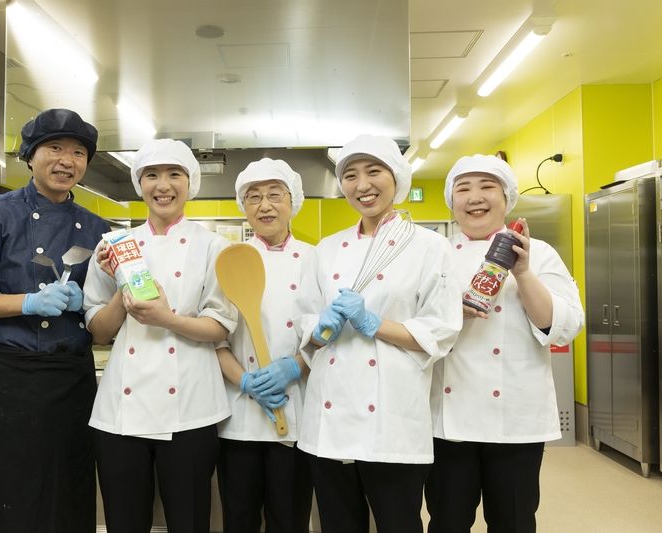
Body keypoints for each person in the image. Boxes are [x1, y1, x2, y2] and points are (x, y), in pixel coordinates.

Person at [0, 108, 111, 533]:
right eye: (54, 148)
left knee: (67, 486)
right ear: (30, 155)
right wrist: (28, 303)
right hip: (12, 376)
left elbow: (108, 307)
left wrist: (88, 303)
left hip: (73, 377)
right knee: (4, 489)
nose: (66, 161)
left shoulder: (98, 229)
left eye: (78, 153)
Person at [298, 135, 462, 533]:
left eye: (374, 171)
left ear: (397, 177)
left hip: (392, 415)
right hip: (331, 416)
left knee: (398, 522)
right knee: (338, 524)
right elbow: (305, 324)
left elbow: (441, 328)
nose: (362, 185)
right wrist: (320, 329)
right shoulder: (326, 249)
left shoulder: (430, 246)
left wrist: (374, 324)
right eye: (350, 175)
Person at [83, 138, 238, 532]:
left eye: (174, 174)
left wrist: (167, 319)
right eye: (151, 175)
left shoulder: (215, 247)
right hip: (121, 412)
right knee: (124, 522)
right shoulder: (113, 246)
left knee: (189, 521)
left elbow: (220, 326)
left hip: (191, 408)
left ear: (190, 182)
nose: (163, 185)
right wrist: (121, 282)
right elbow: (100, 331)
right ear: (139, 183)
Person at [425, 154, 584, 533]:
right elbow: (413, 325)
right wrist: (450, 312)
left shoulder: (539, 252)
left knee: (513, 521)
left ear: (506, 197)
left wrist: (523, 272)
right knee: (447, 521)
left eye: (487, 187)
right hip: (447, 420)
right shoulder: (435, 254)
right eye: (463, 189)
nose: (475, 197)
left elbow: (563, 327)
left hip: (516, 416)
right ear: (451, 200)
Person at [216, 158, 317, 533]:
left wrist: (294, 366)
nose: (265, 205)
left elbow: (324, 335)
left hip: (296, 409)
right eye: (254, 197)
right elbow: (215, 338)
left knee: (289, 520)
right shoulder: (228, 260)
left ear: (293, 202)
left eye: (275, 195)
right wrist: (245, 381)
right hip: (239, 415)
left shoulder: (315, 259)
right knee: (238, 518)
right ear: (243, 207)